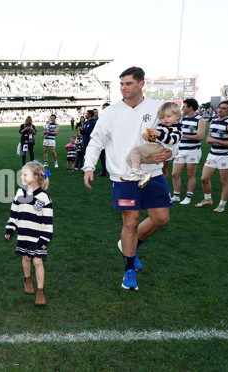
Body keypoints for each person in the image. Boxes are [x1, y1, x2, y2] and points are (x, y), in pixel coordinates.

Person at [83, 66, 172, 291]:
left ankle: (129, 245)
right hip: (123, 175)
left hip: (151, 172)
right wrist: (88, 166)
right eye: (121, 84)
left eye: (128, 83)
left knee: (161, 218)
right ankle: (129, 271)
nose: (123, 88)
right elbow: (96, 141)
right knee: (130, 221)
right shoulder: (112, 112)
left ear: (141, 84)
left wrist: (171, 153)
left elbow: (171, 138)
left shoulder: (156, 109)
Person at [5, 160, 53, 306]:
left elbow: (48, 220)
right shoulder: (20, 193)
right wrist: (10, 228)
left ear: (36, 177)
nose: (22, 177)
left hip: (38, 237)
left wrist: (45, 239)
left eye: (25, 175)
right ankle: (27, 279)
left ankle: (40, 290)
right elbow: (14, 213)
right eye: (22, 175)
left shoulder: (44, 197)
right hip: (24, 234)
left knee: (37, 261)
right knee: (26, 258)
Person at [120, 102, 182, 189]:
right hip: (154, 148)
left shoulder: (176, 129)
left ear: (178, 116)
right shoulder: (161, 126)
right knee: (129, 158)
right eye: (162, 117)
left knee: (136, 151)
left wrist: (159, 134)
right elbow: (155, 139)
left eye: (168, 116)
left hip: (160, 148)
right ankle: (142, 175)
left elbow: (172, 140)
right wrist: (148, 137)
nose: (165, 119)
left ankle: (134, 172)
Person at [195, 100, 228, 213]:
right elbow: (210, 137)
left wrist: (214, 140)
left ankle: (222, 205)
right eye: (219, 107)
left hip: (225, 155)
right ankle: (208, 199)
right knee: (204, 179)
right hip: (212, 154)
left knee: (224, 181)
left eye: (224, 108)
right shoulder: (213, 121)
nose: (220, 109)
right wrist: (210, 140)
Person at [172, 98, 206, 205]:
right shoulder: (183, 119)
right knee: (174, 174)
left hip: (193, 150)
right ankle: (176, 196)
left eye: (184, 106)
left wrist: (183, 135)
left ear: (190, 107)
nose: (182, 108)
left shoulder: (200, 120)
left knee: (190, 174)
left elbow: (200, 136)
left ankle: (188, 197)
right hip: (181, 150)